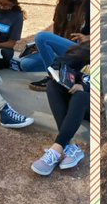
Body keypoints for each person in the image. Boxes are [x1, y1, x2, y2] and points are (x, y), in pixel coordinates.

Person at [15, 0, 90, 91]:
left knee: (41, 37)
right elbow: (55, 28)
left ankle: (55, 79)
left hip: (82, 50)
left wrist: (88, 38)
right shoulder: (63, 4)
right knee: (25, 64)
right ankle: (60, 69)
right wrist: (39, 47)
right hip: (65, 48)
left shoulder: (90, 4)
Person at [31, 44, 90, 175]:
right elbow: (60, 62)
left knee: (81, 95)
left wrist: (85, 86)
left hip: (90, 104)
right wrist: (59, 73)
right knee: (52, 85)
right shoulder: (87, 52)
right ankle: (72, 147)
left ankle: (57, 149)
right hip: (74, 101)